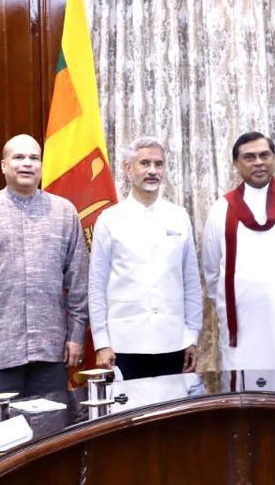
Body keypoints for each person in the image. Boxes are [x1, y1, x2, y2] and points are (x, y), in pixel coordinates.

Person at [0, 134, 88, 396]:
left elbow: (79, 281)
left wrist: (77, 335)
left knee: (53, 421)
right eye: (19, 157)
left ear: (41, 166)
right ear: (4, 165)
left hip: (52, 350)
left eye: (34, 158)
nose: (27, 164)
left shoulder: (64, 212)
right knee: (1, 423)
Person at [201, 132, 275, 370]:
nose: (258, 162)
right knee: (243, 379)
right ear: (236, 164)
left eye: (265, 155)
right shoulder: (221, 208)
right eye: (249, 157)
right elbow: (211, 266)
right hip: (241, 316)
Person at [89, 137, 202, 380]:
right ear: (128, 168)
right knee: (127, 405)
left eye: (158, 164)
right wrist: (102, 342)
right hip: (123, 344)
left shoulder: (179, 216)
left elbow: (191, 282)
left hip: (172, 342)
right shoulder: (109, 220)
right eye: (145, 163)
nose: (152, 171)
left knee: (173, 404)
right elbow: (96, 286)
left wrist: (191, 336)